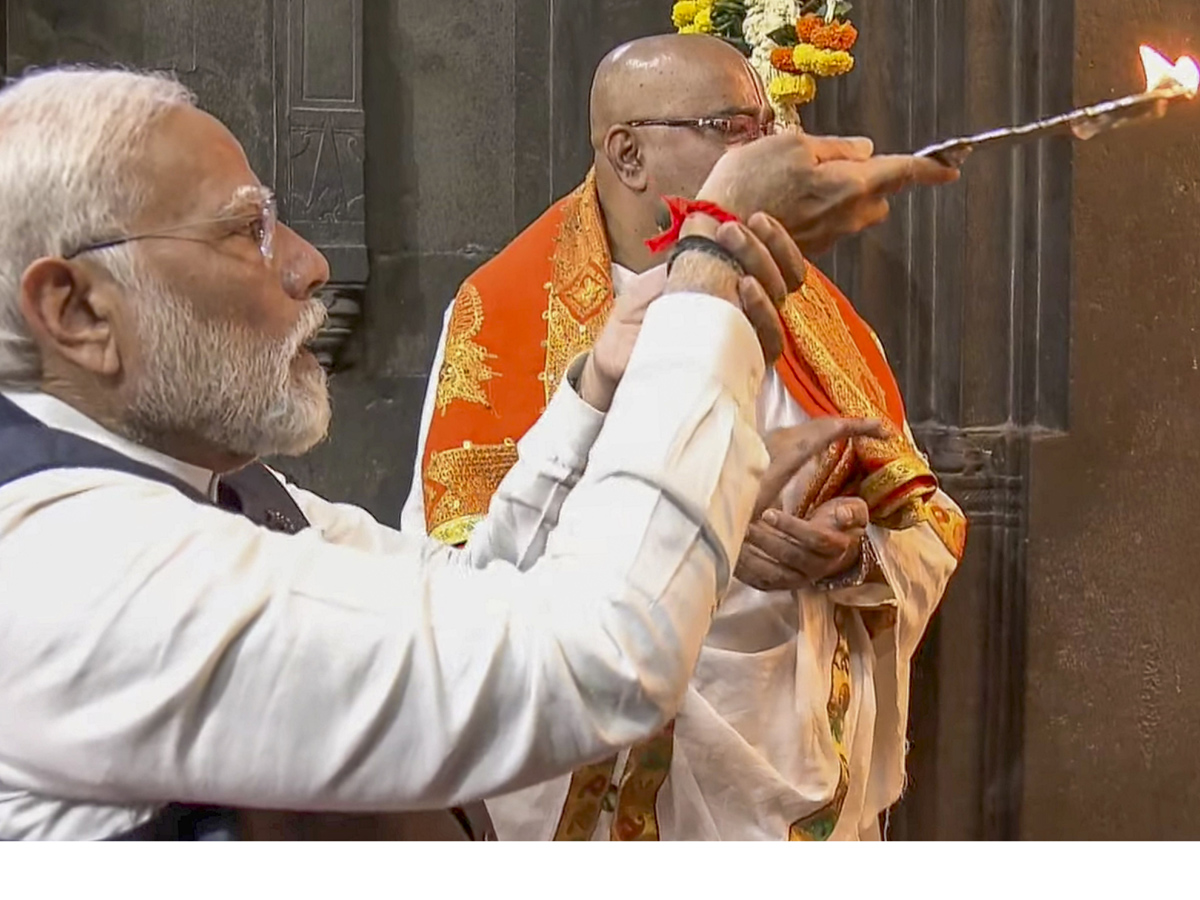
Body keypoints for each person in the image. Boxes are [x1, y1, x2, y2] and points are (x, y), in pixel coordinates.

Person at [0, 65, 920, 840]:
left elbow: (467, 585)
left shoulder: (217, 487)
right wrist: (710, 273)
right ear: (78, 311)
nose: (308, 263)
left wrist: (596, 393)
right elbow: (598, 662)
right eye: (247, 230)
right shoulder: (62, 565)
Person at [402, 33, 967, 840]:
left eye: (765, 121)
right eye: (735, 127)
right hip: (596, 766)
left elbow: (926, 519)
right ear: (628, 154)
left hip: (784, 760)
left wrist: (852, 554)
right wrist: (704, 537)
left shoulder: (816, 314)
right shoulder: (509, 317)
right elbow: (472, 569)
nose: (770, 147)